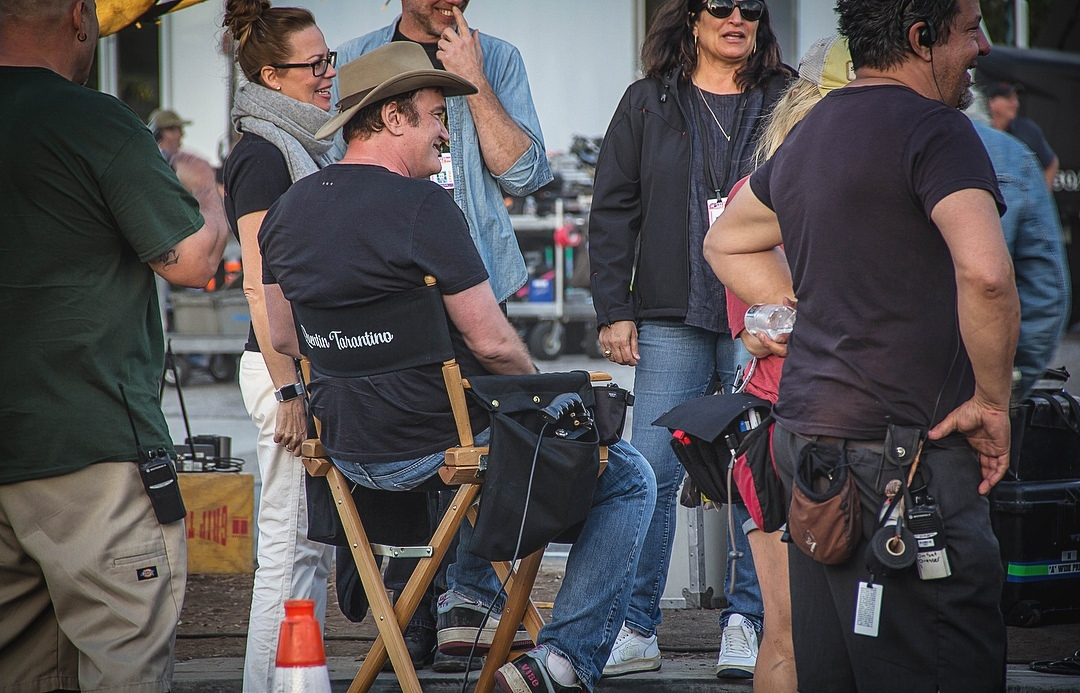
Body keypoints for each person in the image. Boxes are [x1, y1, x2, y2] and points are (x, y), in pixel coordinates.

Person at [258, 42, 656, 693]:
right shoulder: (425, 207)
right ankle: (559, 662)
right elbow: (493, 343)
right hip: (437, 447)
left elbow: (281, 333)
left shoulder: (286, 212)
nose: (447, 132)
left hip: (347, 452)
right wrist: (546, 396)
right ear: (393, 118)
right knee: (629, 473)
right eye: (437, 116)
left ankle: (471, 611)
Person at [705, 0, 1019, 690]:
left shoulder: (812, 131)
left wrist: (815, 308)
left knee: (835, 671)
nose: (984, 47)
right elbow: (989, 276)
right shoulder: (939, 129)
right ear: (921, 37)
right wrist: (994, 403)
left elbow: (723, 239)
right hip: (909, 456)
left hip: (810, 446)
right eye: (971, 29)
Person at [0, 0, 229, 690]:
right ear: (79, 17)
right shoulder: (91, 118)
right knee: (123, 661)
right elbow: (192, 262)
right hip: (90, 441)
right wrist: (211, 194)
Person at [588, 0, 793, 679]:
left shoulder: (786, 96)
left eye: (750, 7)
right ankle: (635, 625)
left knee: (755, 464)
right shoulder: (647, 101)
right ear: (692, 19)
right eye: (720, 5)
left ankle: (747, 621)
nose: (737, 17)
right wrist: (613, 308)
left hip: (761, 310)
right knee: (649, 466)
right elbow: (613, 208)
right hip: (671, 312)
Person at [717, 34, 857, 693]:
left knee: (809, 632)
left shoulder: (761, 190)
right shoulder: (762, 195)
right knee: (794, 629)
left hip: (816, 428)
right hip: (785, 429)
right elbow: (752, 331)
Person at [219, 2, 337, 691]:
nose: (328, 74)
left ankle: (298, 679)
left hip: (303, 365)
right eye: (313, 64)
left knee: (310, 550)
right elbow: (262, 288)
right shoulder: (263, 156)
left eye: (328, 59)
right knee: (289, 552)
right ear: (271, 75)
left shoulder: (306, 144)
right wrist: (290, 388)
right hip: (280, 369)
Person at [330, 0, 552, 305]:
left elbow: (523, 177)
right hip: (382, 276)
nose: (454, 1)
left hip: (476, 275)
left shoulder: (499, 57)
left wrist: (474, 76)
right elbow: (334, 170)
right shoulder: (354, 56)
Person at [966, 92, 1070, 401]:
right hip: (974, 383)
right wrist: (1007, 385)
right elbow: (1045, 293)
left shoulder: (857, 139)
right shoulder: (1011, 155)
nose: (1013, 104)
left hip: (866, 388)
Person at [985, 80, 1059, 190]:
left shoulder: (1028, 130)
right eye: (1009, 99)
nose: (1015, 104)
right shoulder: (980, 132)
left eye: (1016, 99)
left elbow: (1051, 163)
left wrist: (1041, 194)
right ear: (992, 103)